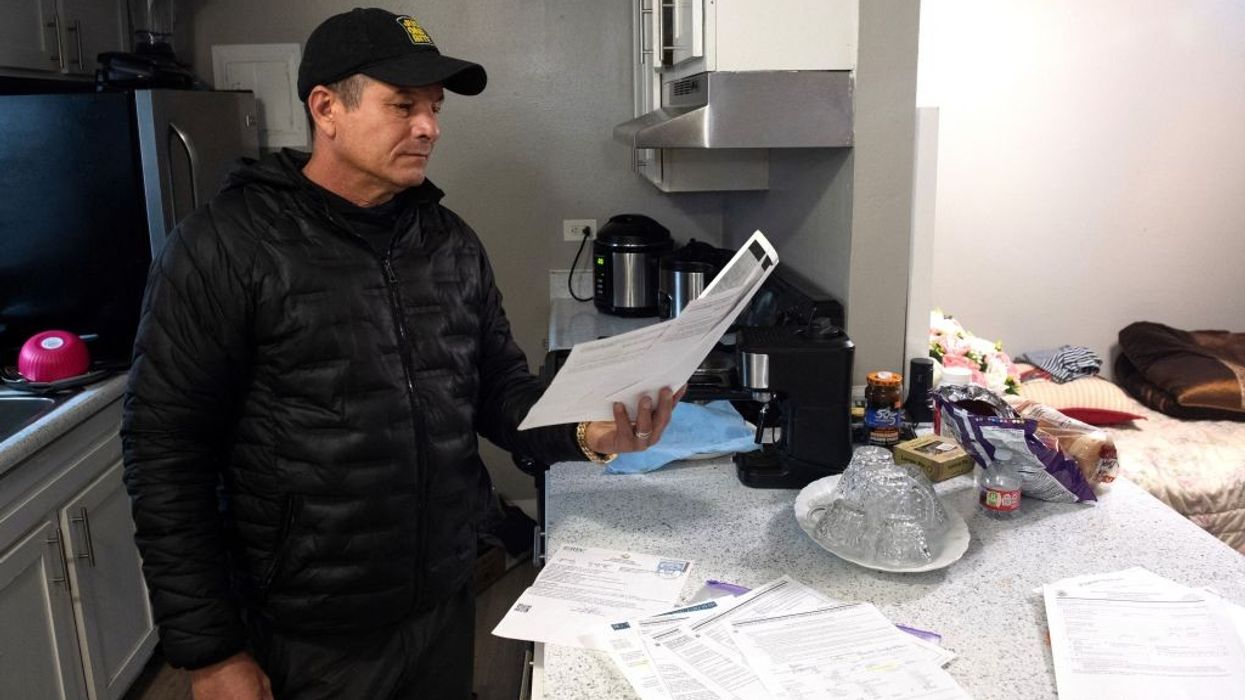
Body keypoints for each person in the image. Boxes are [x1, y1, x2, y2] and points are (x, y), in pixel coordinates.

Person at [121, 8, 680, 699]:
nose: (429, 127)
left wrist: (591, 434)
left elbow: (497, 389)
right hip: (311, 625)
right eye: (403, 105)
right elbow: (165, 458)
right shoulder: (221, 249)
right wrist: (209, 653)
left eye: (435, 108)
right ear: (326, 108)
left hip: (443, 595)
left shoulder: (447, 243)